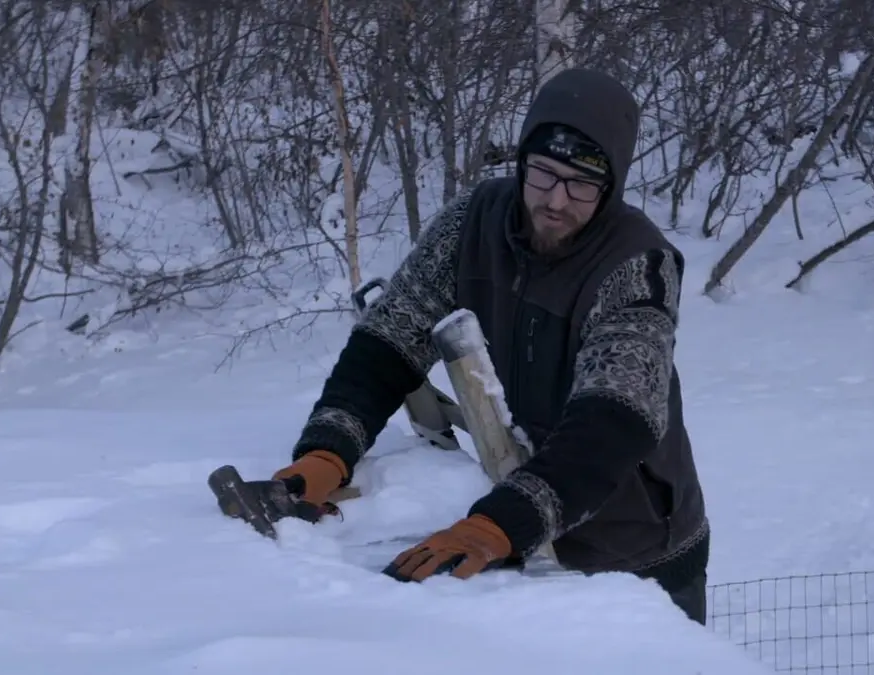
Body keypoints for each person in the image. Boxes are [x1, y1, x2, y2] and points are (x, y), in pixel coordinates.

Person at [271, 68, 710, 625]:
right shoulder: (474, 222)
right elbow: (392, 336)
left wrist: (498, 525)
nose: (555, 200)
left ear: (612, 185)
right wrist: (330, 448)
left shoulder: (636, 264)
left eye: (581, 183)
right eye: (543, 173)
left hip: (637, 553)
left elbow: (614, 420)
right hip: (524, 538)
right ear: (522, 161)